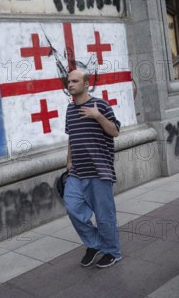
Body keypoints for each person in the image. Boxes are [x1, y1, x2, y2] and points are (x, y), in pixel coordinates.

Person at [64, 69, 122, 268]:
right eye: (68, 81)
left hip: (100, 170)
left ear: (86, 84)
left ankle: (112, 251)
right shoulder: (70, 110)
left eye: (74, 81)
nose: (70, 84)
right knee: (71, 207)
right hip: (77, 171)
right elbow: (71, 136)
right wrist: (69, 160)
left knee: (104, 215)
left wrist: (97, 116)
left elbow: (115, 132)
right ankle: (94, 244)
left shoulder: (101, 105)